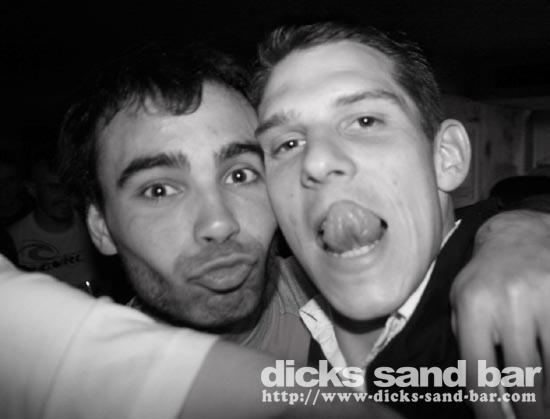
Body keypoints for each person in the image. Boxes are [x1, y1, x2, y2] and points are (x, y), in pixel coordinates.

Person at [251, 21, 549, 419]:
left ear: (446, 157)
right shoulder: (279, 337)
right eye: (288, 143)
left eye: (365, 121)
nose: (316, 161)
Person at [9, 156, 102, 294]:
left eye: (68, 187)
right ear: (32, 189)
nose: (64, 195)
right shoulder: (13, 240)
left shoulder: (95, 226)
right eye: (54, 187)